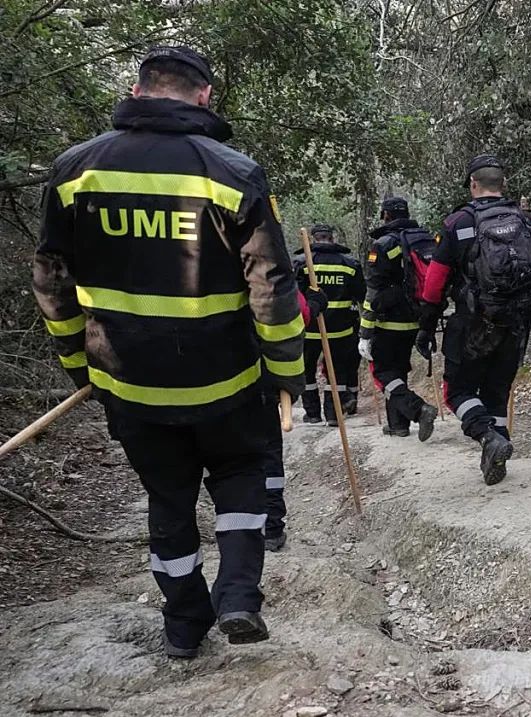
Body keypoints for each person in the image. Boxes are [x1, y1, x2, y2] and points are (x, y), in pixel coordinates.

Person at [32, 46, 305, 656]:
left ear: (138, 89)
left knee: (168, 500)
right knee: (241, 478)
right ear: (204, 96)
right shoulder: (233, 173)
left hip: (130, 384)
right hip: (227, 381)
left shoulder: (75, 171)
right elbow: (270, 285)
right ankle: (238, 595)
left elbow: (51, 280)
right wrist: (287, 373)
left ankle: (183, 624)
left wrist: (79, 364)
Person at [417, 155, 531, 484]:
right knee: (497, 391)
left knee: (456, 391)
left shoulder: (458, 224)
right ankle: (496, 456)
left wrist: (426, 327)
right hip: (517, 322)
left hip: (473, 322)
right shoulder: (528, 223)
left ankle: (487, 437)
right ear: (503, 184)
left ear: (473, 184)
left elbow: (434, 284)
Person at [359, 197, 438, 439]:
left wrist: (365, 333)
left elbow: (374, 291)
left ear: (386, 215)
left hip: (388, 322)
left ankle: (418, 409)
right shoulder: (423, 240)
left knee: (383, 372)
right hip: (417, 319)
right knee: (397, 371)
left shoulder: (383, 245)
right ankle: (398, 425)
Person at [263, 288, 327, 553]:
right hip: (256, 381)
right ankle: (270, 528)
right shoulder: (261, 264)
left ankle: (239, 530)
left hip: (201, 388)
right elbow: (293, 313)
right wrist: (315, 303)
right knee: (266, 460)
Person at [296, 223, 365, 426]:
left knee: (307, 370)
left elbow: (294, 297)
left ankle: (312, 413)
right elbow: (361, 295)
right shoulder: (350, 264)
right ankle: (334, 414)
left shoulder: (301, 264)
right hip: (340, 329)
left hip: (309, 329)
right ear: (332, 238)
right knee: (337, 371)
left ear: (313, 239)